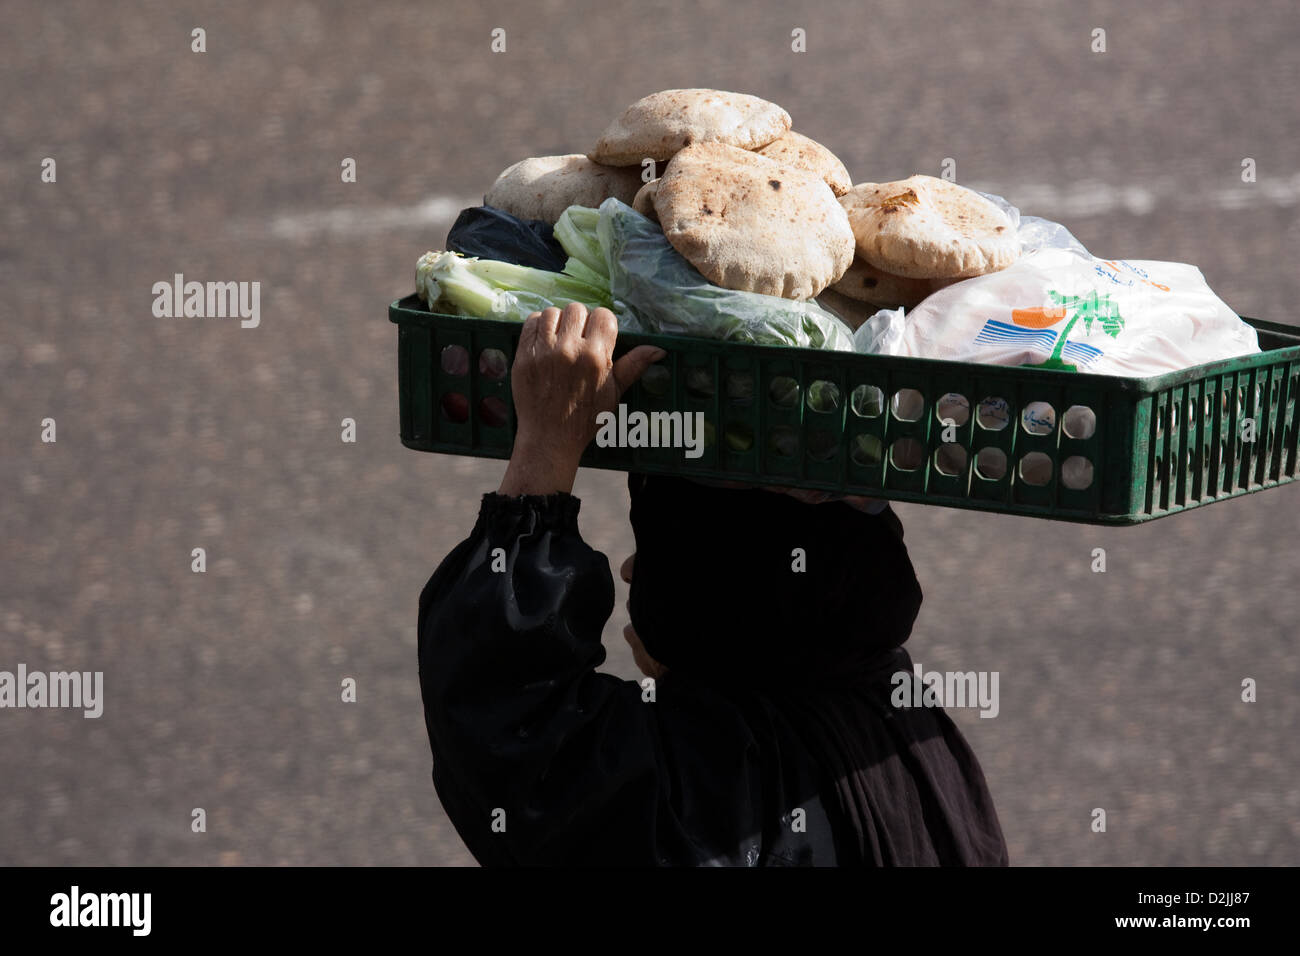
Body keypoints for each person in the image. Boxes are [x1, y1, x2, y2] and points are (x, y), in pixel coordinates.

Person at [417, 302, 1009, 866]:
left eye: (653, 556)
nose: (631, 572)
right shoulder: (916, 748)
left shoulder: (700, 800)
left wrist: (545, 451)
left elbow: (501, 721)